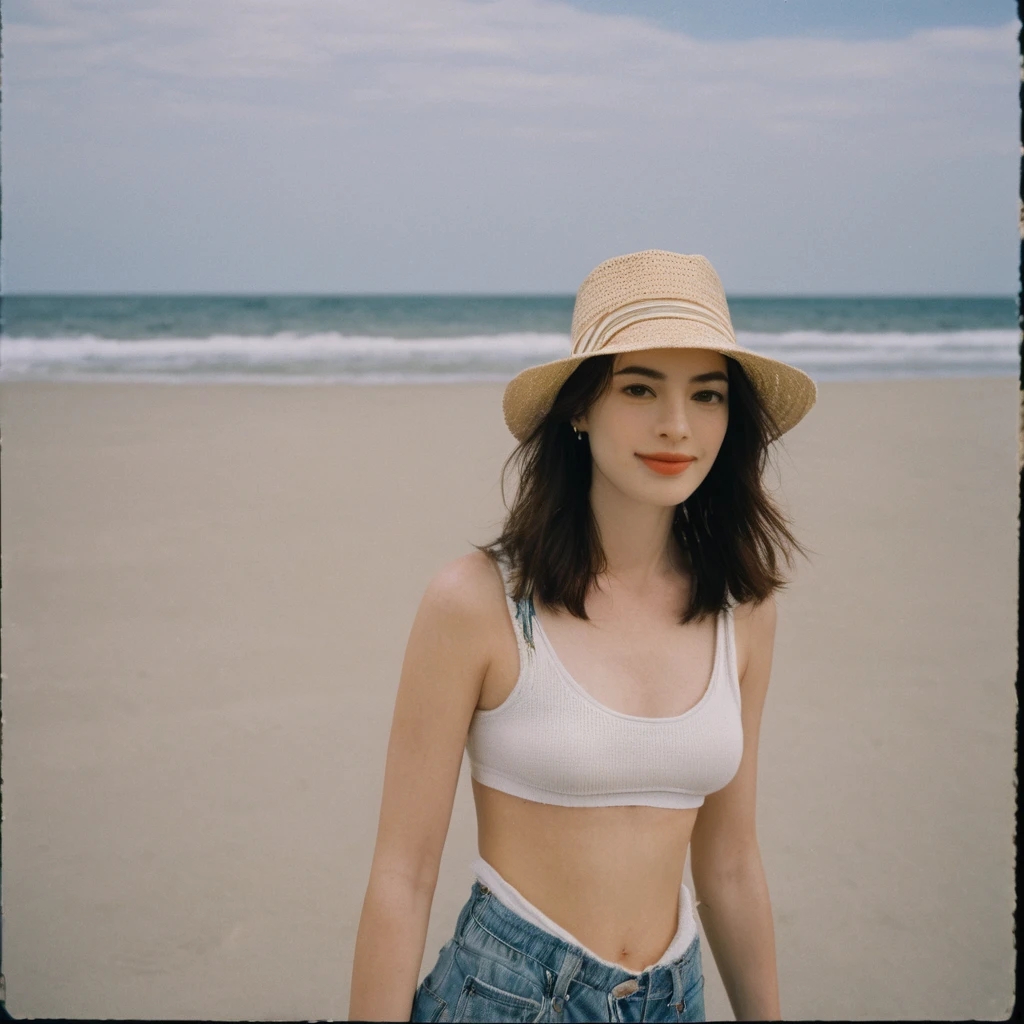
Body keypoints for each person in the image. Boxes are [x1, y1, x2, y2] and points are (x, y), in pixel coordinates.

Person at [347, 249, 817, 1022]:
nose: (676, 425)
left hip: (675, 999)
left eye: (707, 394)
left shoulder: (743, 609)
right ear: (578, 408)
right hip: (506, 996)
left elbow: (729, 863)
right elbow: (403, 875)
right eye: (638, 388)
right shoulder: (479, 602)